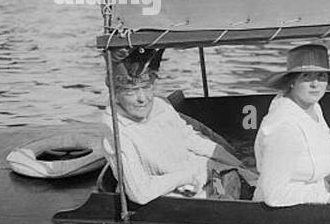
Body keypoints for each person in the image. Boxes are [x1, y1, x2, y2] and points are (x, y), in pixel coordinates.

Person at [102, 49, 253, 206]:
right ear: (116, 95)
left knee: (231, 177)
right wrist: (186, 176)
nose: (142, 99)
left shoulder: (161, 106)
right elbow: (140, 192)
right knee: (226, 205)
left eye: (146, 88)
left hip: (208, 178)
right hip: (174, 200)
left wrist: (240, 166)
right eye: (131, 92)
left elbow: (191, 140)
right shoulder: (115, 127)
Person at [253, 43, 330, 216]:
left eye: (321, 76)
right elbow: (273, 194)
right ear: (292, 82)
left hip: (314, 205)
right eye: (306, 76)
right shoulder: (284, 126)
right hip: (280, 215)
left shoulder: (313, 107)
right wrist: (326, 197)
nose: (315, 84)